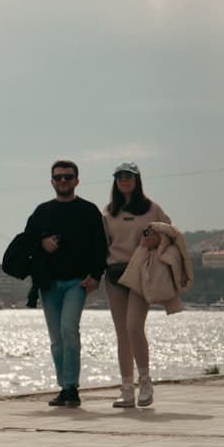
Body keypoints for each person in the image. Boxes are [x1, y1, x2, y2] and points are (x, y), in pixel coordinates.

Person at [22, 160, 107, 408]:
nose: (63, 181)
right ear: (52, 181)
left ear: (76, 181)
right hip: (48, 284)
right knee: (57, 339)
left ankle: (71, 387)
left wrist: (96, 275)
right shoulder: (42, 212)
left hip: (77, 283)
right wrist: (42, 242)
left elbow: (100, 245)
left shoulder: (89, 210)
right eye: (58, 177)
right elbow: (26, 241)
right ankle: (64, 387)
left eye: (68, 177)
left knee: (69, 330)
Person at [102, 162, 172, 408]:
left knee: (134, 326)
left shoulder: (152, 209)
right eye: (120, 176)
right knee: (122, 333)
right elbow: (102, 244)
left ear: (137, 179)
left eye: (128, 176)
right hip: (114, 273)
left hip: (141, 271)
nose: (124, 180)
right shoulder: (108, 212)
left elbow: (171, 233)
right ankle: (126, 388)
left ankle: (145, 381)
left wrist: (156, 239)